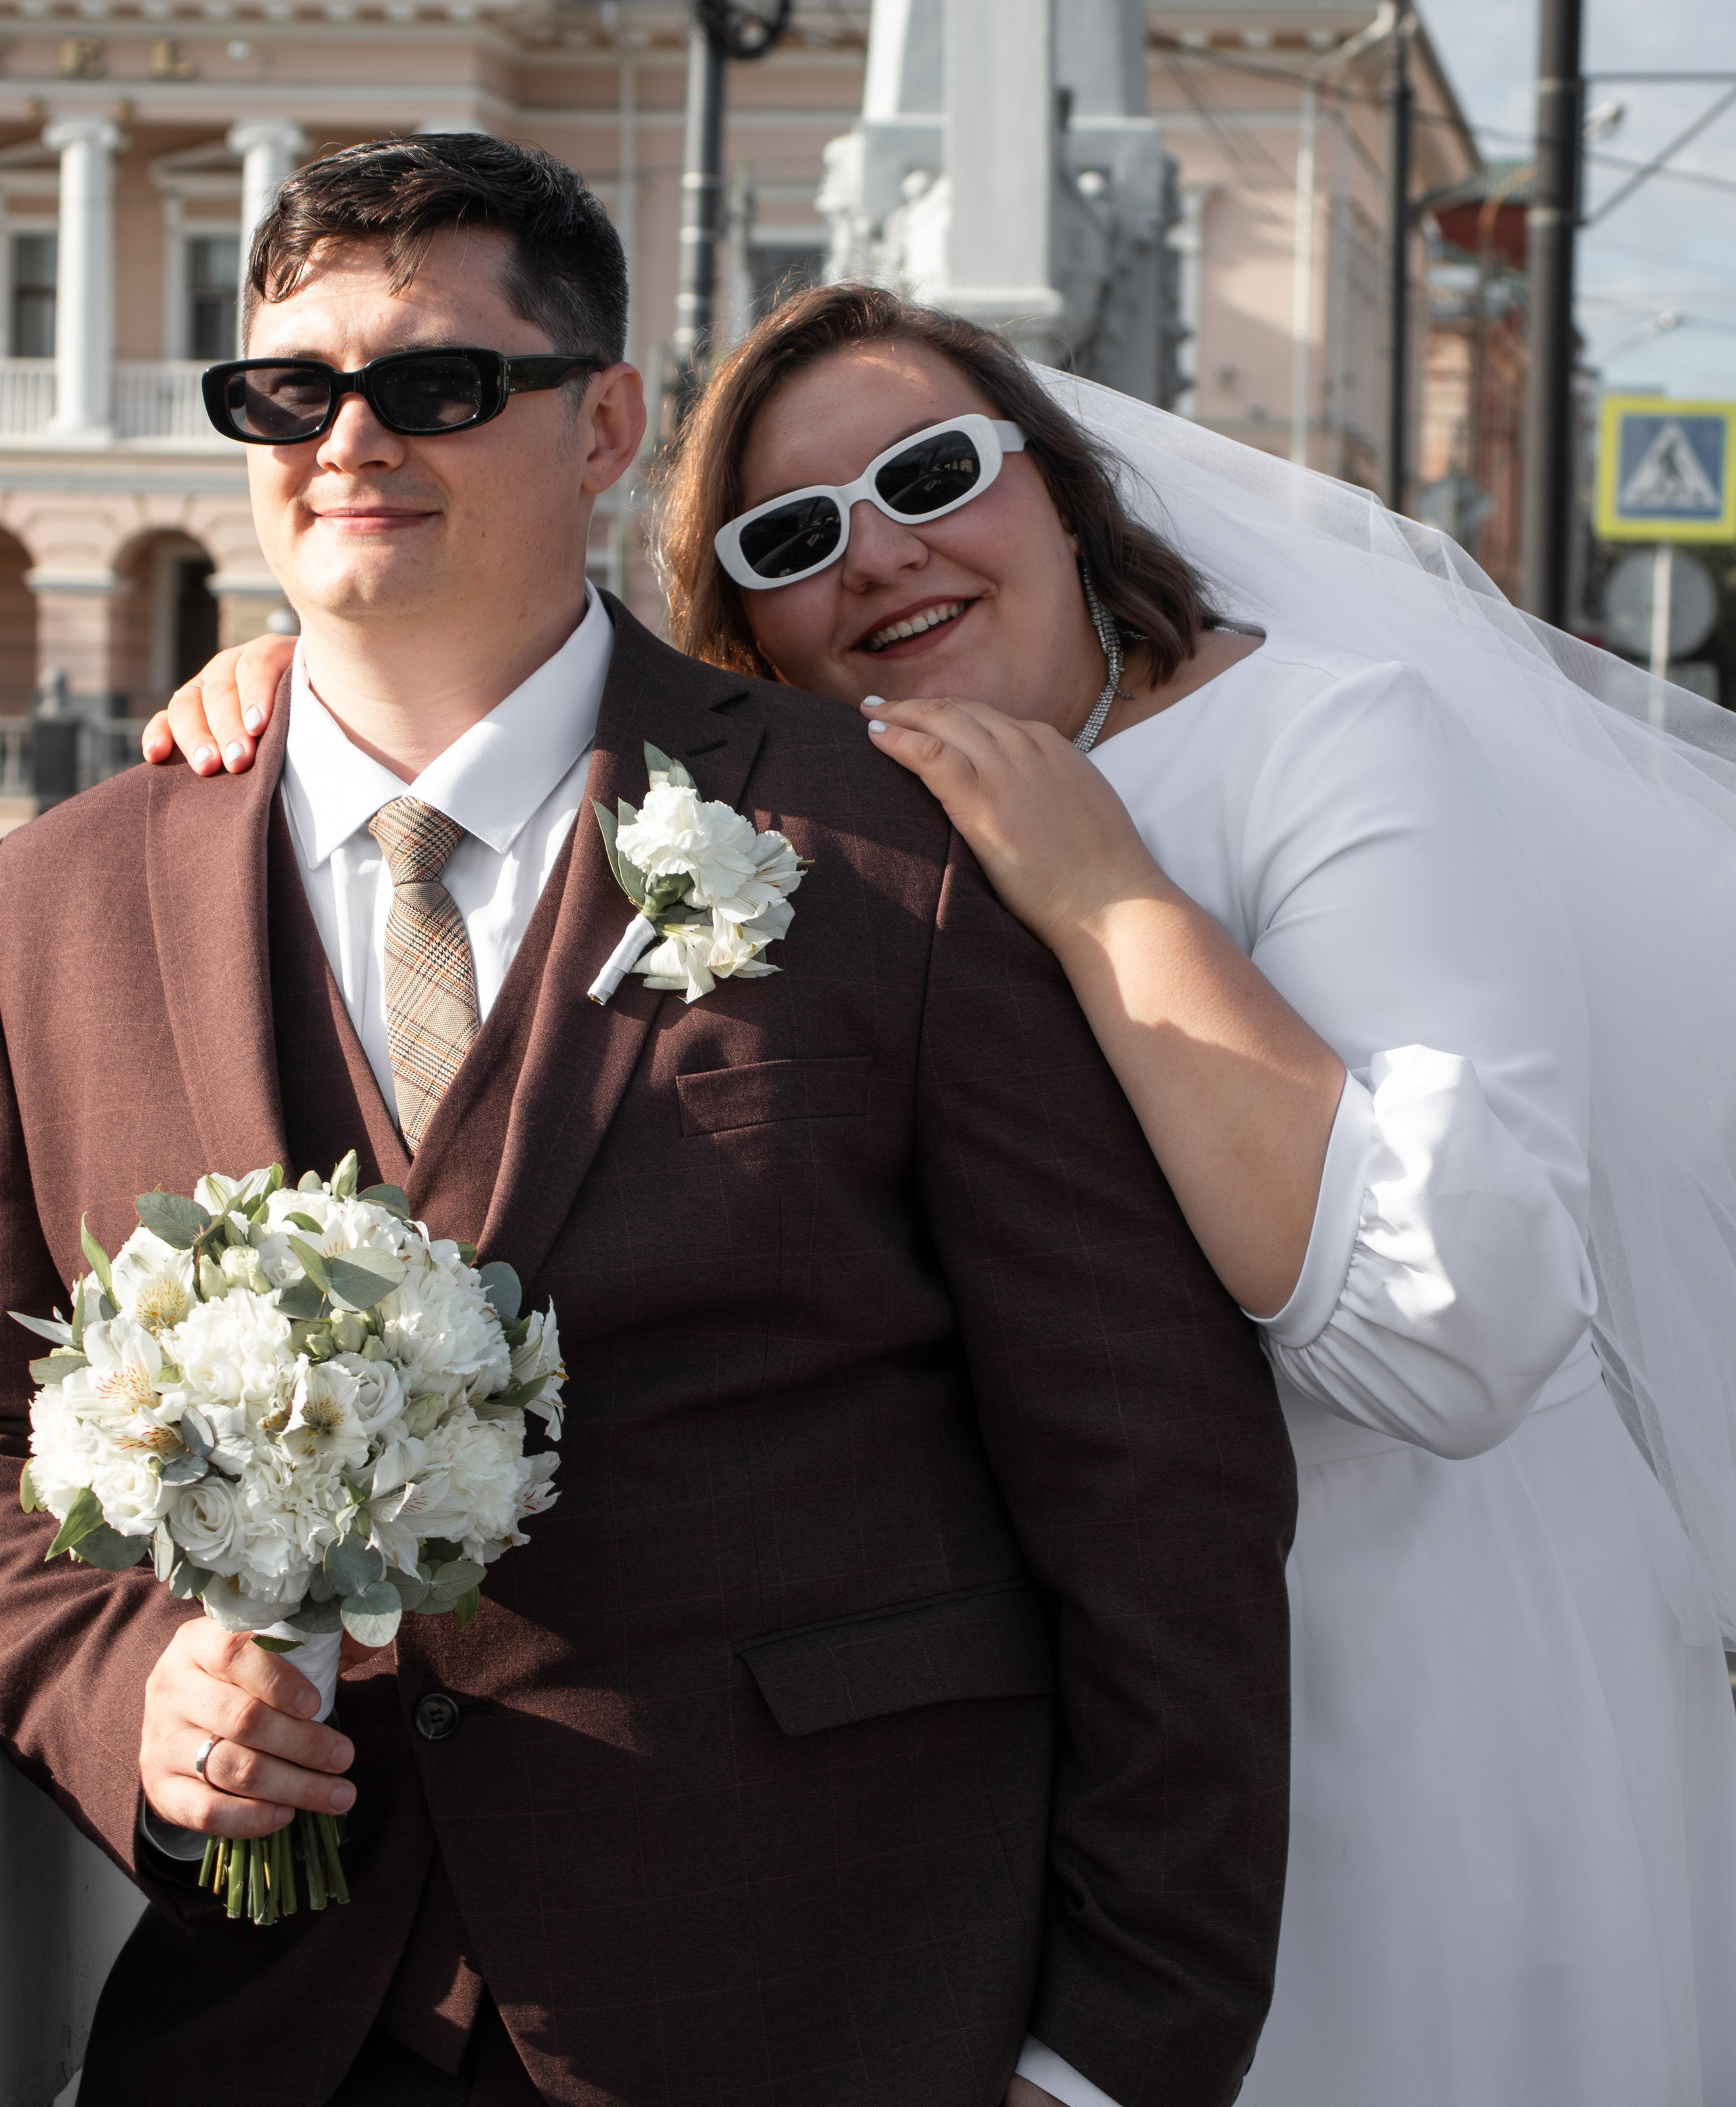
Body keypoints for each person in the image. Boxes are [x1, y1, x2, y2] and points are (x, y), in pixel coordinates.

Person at [171, 275, 1736, 2107]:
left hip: (1387, 1679)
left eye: (931, 476)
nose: (882, 554)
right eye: (794, 536)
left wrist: (1107, 896)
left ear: (1061, 487)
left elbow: (1455, 1338)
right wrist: (313, 682)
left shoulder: (1326, 741)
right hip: (1019, 1762)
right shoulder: (803, 825)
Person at [0, 140, 1296, 2107]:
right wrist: (132, 1699)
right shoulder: (58, 903)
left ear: (604, 424)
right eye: (287, 391)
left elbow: (1154, 1481)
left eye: (436, 383)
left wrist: (1115, 2051)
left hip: (818, 2000)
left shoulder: (894, 846)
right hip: (271, 2028)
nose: (349, 440)